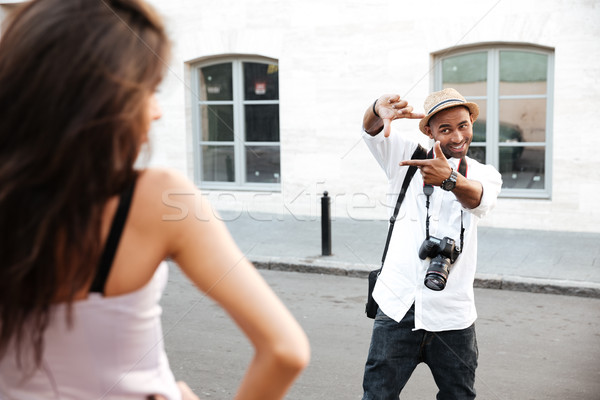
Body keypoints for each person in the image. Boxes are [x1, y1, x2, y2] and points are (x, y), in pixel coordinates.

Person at [0, 1, 309, 399]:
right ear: (98, 102)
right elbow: (285, 351)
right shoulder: (158, 197)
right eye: (147, 91)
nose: (157, 113)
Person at [361, 88, 502, 399]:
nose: (457, 136)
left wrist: (449, 179)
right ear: (429, 131)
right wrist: (375, 109)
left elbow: (479, 199)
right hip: (398, 307)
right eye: (446, 129)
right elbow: (370, 129)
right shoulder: (407, 158)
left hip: (453, 314)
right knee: (377, 395)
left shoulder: (485, 174)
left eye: (463, 125)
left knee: (459, 396)